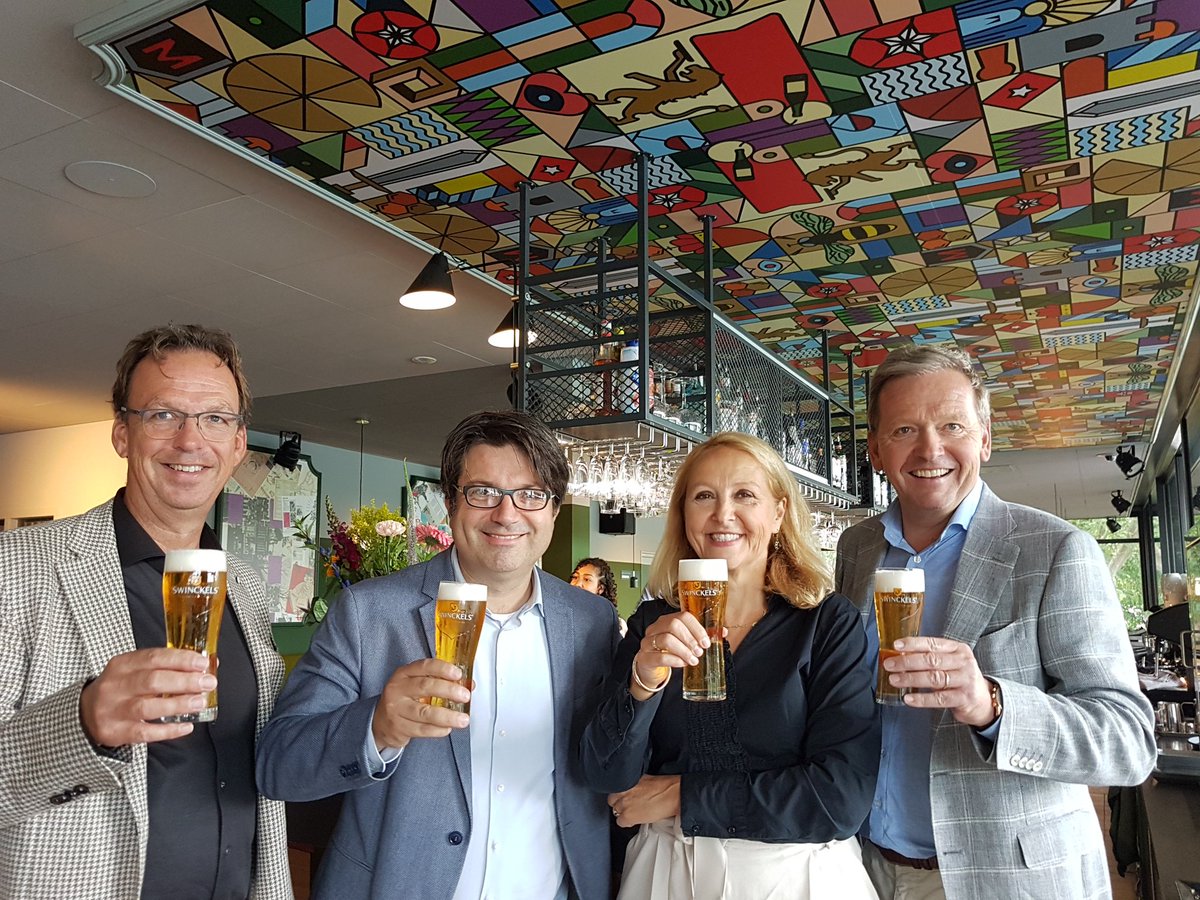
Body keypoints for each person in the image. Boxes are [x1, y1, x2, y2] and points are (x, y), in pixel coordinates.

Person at [834, 343, 1155, 900]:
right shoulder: (856, 548)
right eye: (904, 430)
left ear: (984, 438)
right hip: (863, 868)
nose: (930, 448)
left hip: (1005, 878)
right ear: (876, 451)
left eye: (951, 425)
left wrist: (991, 703)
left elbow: (1127, 741)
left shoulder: (1055, 548)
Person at [256, 410, 620, 900]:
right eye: (482, 492)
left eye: (530, 494)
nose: (506, 514)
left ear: (553, 510)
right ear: (449, 503)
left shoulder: (590, 621)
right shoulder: (369, 613)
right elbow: (279, 764)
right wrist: (376, 726)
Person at [0, 324, 291, 899]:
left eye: (215, 418)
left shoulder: (250, 589)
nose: (190, 440)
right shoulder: (18, 568)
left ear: (238, 444)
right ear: (122, 435)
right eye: (162, 415)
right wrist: (81, 721)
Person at [582, 431, 881, 899]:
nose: (723, 514)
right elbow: (607, 776)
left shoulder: (825, 622)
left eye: (745, 495)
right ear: (684, 515)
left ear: (779, 512)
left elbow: (839, 798)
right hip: (665, 874)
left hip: (796, 876)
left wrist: (681, 795)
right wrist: (642, 685)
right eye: (704, 496)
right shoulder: (653, 624)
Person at [571, 556, 627, 635]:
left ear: (600, 588)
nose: (577, 584)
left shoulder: (616, 625)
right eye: (575, 577)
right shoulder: (562, 616)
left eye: (587, 579)